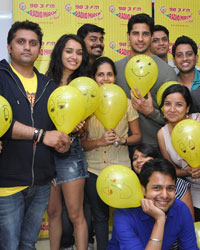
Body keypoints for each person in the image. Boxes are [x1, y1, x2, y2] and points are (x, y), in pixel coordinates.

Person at [0, 20, 70, 250]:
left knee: (28, 244)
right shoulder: (1, 78)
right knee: (8, 245)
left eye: (33, 43)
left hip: (41, 182)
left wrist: (61, 140)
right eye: (21, 42)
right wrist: (42, 135)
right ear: (9, 47)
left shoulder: (48, 85)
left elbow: (54, 127)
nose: (27, 47)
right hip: (7, 182)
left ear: (40, 49)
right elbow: (4, 124)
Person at [81, 56, 141, 250]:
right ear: (93, 77)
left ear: (115, 77)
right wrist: (99, 141)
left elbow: (137, 136)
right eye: (100, 74)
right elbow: (81, 144)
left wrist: (121, 140)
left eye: (109, 74)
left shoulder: (127, 103)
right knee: (100, 218)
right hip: (93, 170)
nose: (105, 79)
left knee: (126, 215)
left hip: (121, 168)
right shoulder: (87, 106)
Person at [46, 34, 90, 250]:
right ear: (59, 52)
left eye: (79, 52)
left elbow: (86, 129)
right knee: (53, 213)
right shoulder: (45, 82)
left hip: (71, 152)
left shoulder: (84, 86)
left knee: (75, 214)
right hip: (46, 153)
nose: (74, 56)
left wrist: (79, 129)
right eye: (69, 51)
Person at [115, 13, 177, 146]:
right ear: (128, 36)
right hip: (120, 149)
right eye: (135, 33)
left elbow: (177, 117)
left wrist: (151, 112)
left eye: (145, 34)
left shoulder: (167, 72)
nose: (140, 39)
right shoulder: (115, 69)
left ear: (151, 37)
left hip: (155, 147)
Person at [107, 158, 198, 250]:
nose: (164, 195)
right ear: (143, 189)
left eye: (170, 188)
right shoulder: (124, 215)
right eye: (157, 188)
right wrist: (160, 220)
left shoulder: (180, 209)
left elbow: (190, 247)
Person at [157, 84, 200, 221]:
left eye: (179, 105)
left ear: (187, 108)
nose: (172, 109)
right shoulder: (162, 134)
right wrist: (187, 172)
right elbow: (170, 170)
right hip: (192, 190)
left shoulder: (198, 121)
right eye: (168, 104)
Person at [132, 144, 194, 220]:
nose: (139, 160)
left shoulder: (179, 184)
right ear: (143, 189)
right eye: (135, 158)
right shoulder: (131, 186)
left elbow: (189, 220)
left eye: (145, 156)